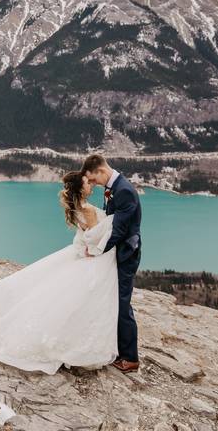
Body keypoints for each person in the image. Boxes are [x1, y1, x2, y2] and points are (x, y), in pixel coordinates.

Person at [0, 170, 119, 375]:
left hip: (83, 255)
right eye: (87, 183)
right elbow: (94, 241)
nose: (91, 184)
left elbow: (84, 235)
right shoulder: (89, 210)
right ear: (79, 188)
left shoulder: (77, 206)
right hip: (94, 260)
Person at [82, 153, 142, 372]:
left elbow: (119, 230)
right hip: (118, 252)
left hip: (126, 253)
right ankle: (118, 348)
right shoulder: (115, 188)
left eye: (94, 179)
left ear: (101, 171)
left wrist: (97, 250)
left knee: (122, 304)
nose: (95, 184)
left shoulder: (124, 190)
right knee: (115, 301)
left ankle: (131, 358)